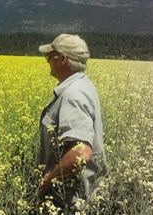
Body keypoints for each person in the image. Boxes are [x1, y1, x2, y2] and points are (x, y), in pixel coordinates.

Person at [35, 34, 107, 215]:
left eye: (49, 56)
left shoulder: (73, 95)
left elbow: (80, 152)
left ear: (63, 59)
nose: (47, 61)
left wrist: (47, 182)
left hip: (66, 200)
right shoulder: (83, 85)